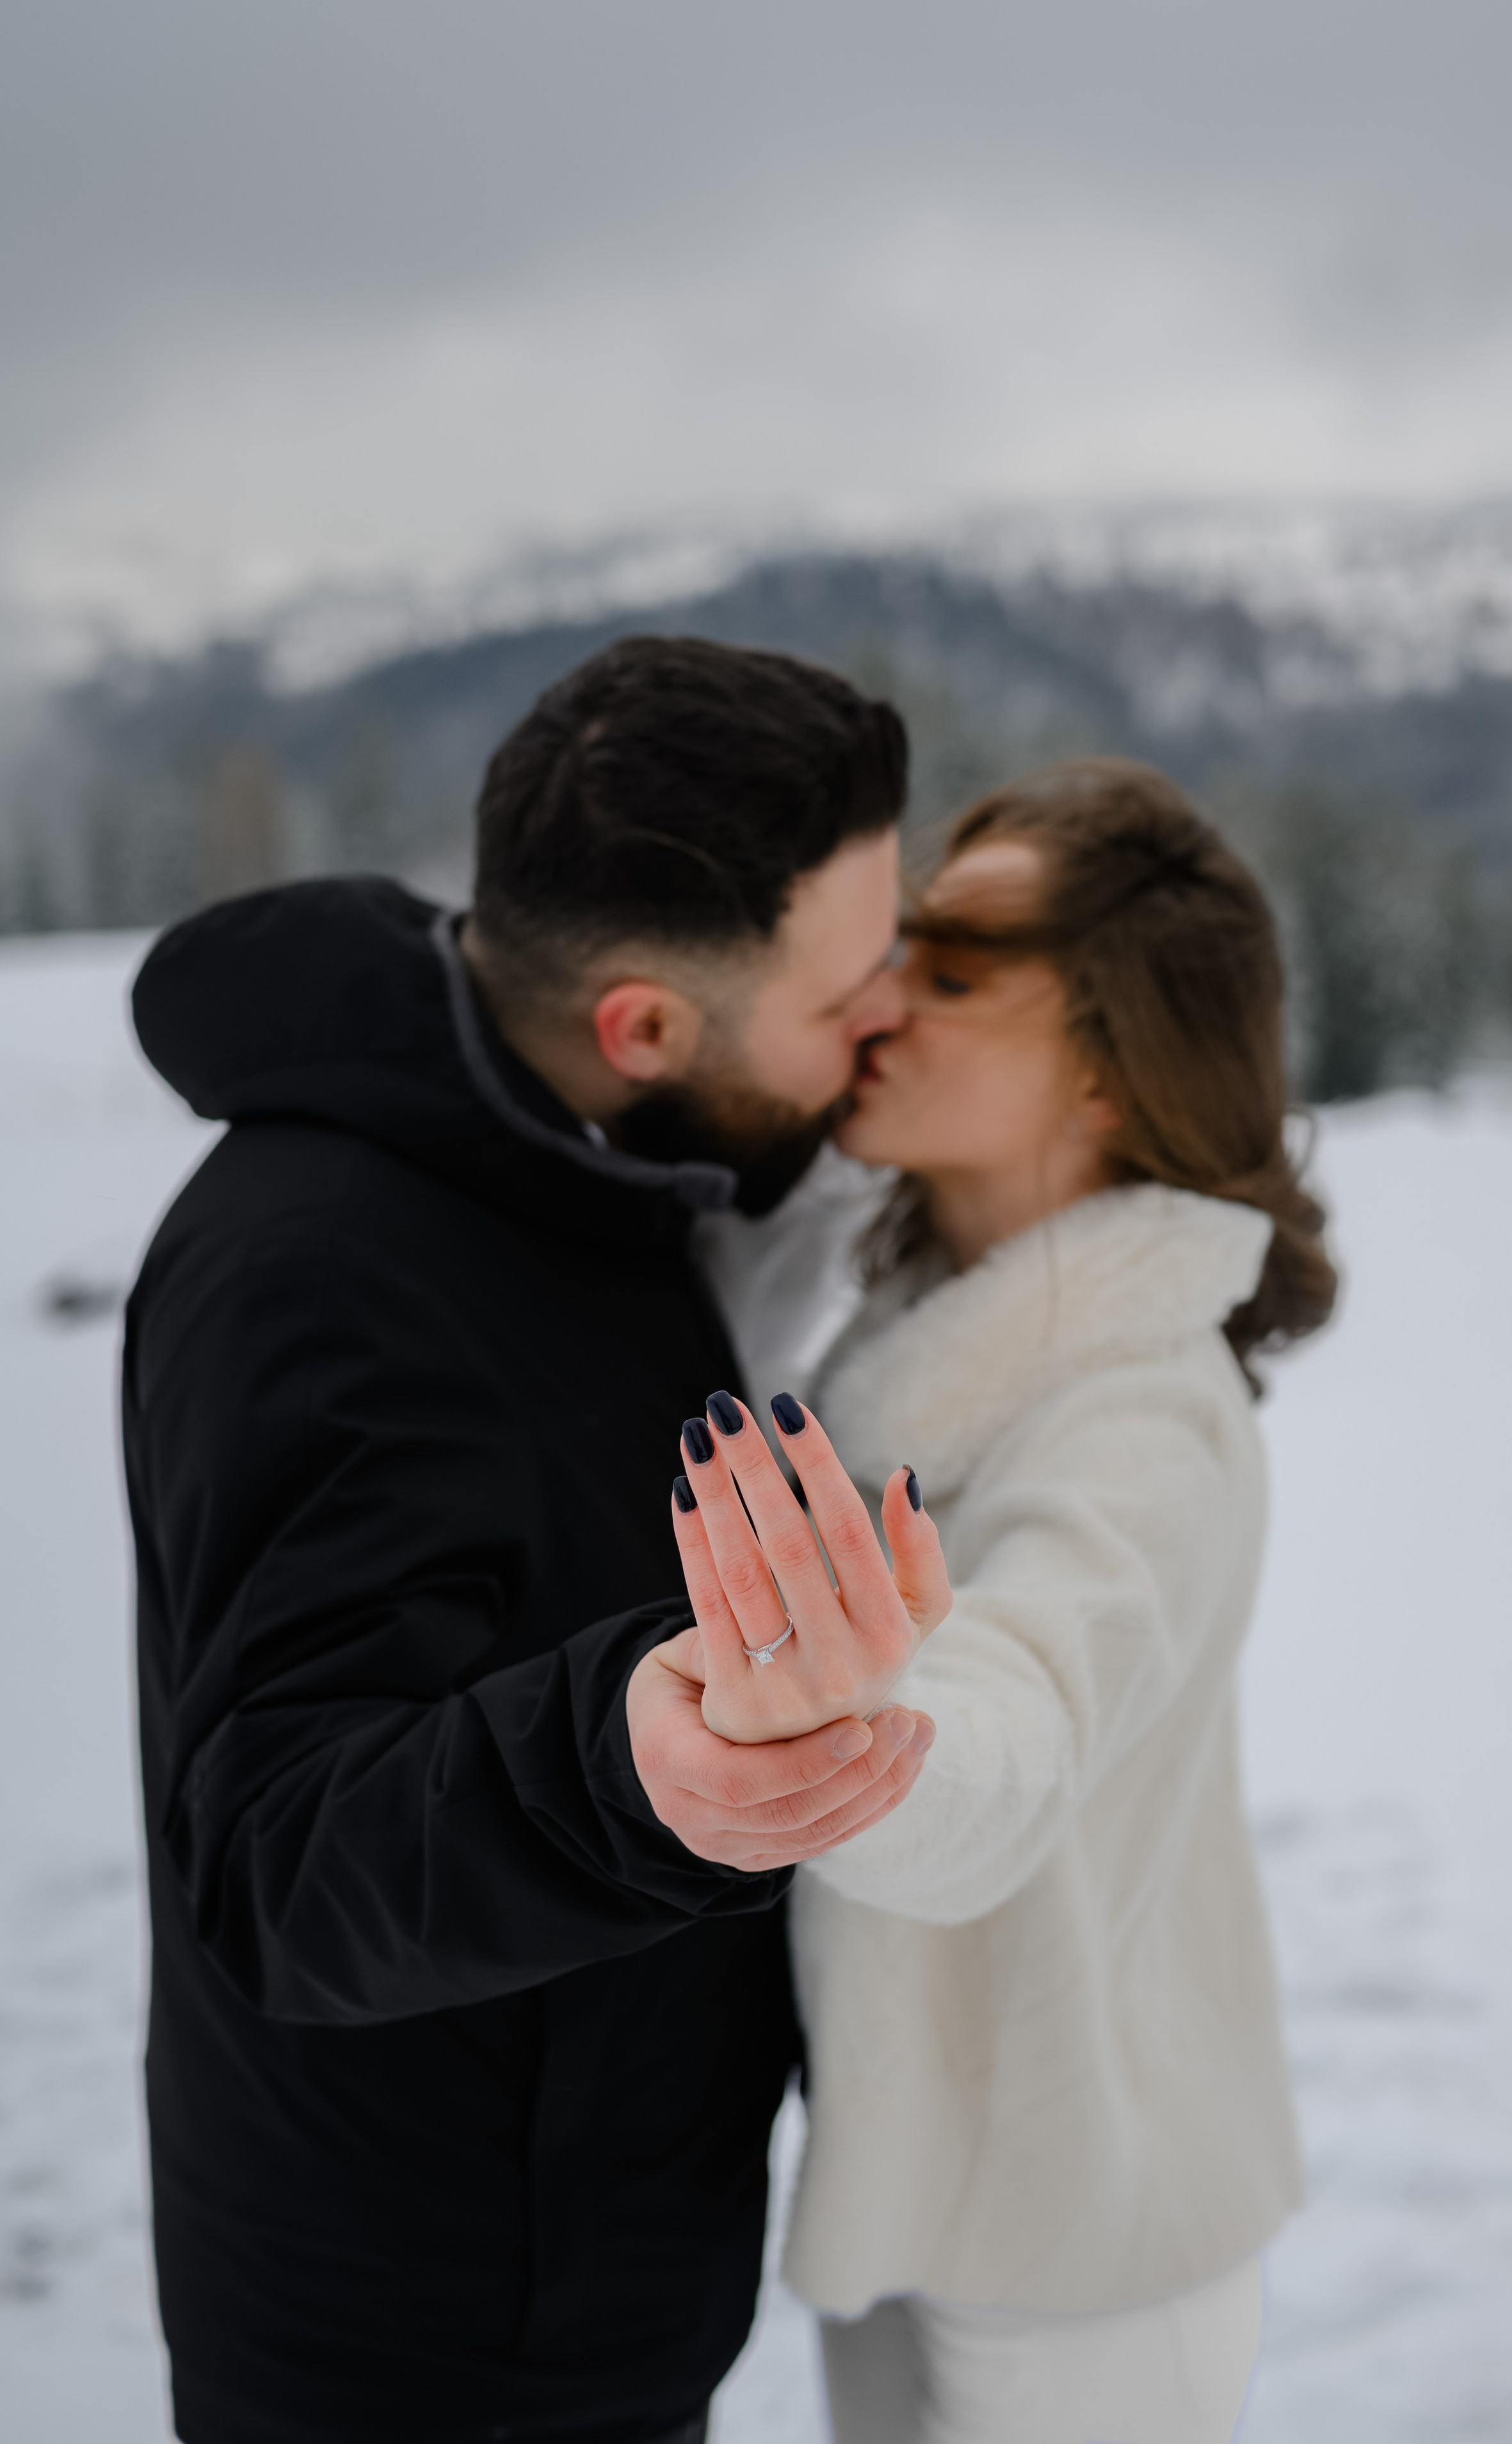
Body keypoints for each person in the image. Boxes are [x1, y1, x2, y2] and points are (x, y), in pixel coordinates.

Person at [122, 635, 941, 2444]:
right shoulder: (324, 1276)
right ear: (642, 1025)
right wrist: (626, 1766)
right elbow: (278, 1853)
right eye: (848, 987)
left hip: (584, 2263)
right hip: (430, 2354)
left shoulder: (586, 1163)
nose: (890, 1009)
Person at [670, 759, 1339, 2444]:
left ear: (1113, 1064)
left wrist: (865, 1732)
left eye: (956, 972)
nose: (884, 993)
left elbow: (1016, 1720)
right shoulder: (908, 1318)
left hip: (1089, 2228)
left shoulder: (1140, 1411)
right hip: (940, 2174)